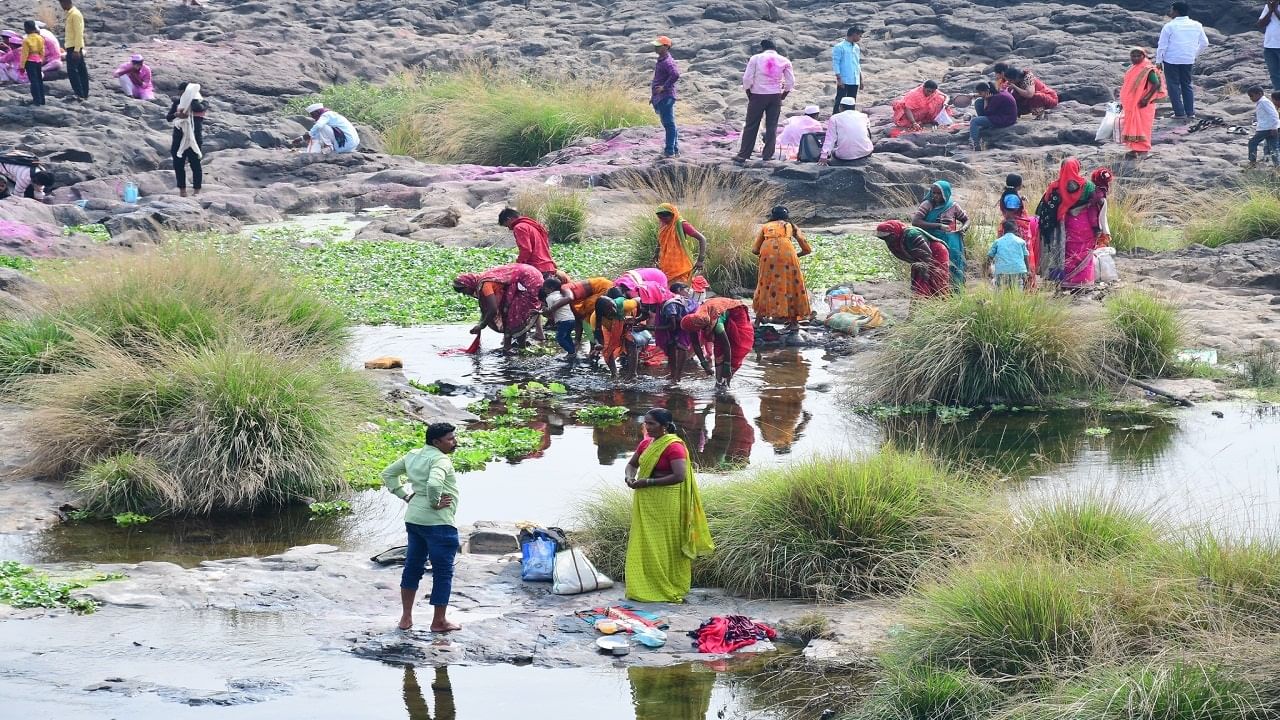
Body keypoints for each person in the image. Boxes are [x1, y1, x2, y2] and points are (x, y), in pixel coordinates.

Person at [622, 408, 714, 604]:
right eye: (646, 423)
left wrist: (647, 482)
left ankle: (668, 585)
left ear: (664, 427)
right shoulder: (646, 443)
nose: (647, 427)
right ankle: (643, 586)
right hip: (646, 501)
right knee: (644, 541)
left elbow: (679, 476)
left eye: (652, 424)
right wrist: (629, 477)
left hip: (667, 502)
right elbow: (632, 464)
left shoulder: (674, 447)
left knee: (665, 544)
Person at [382, 422, 462, 633]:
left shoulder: (413, 455)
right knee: (443, 572)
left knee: (413, 566)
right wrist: (435, 502)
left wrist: (404, 495)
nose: (455, 442)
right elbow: (435, 484)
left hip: (415, 519)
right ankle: (439, 622)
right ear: (436, 442)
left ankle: (406, 618)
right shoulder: (440, 459)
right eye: (450, 439)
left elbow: (388, 473)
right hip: (438, 523)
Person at [452, 263, 544, 353]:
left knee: (514, 313)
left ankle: (511, 348)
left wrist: (482, 325)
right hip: (529, 273)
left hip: (530, 279)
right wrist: (480, 323)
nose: (465, 294)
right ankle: (518, 347)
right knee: (507, 308)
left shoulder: (485, 285)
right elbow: (490, 307)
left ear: (468, 284)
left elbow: (492, 309)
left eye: (464, 291)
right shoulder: (483, 279)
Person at [751, 205, 812, 333]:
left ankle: (757, 322)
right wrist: (794, 256)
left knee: (765, 285)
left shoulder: (765, 227)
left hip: (768, 258)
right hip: (788, 256)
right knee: (792, 286)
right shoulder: (792, 226)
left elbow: (755, 250)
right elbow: (807, 249)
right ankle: (794, 322)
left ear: (772, 216)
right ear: (787, 216)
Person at [734, 39, 795, 164]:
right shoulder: (784, 60)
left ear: (762, 48)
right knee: (772, 126)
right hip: (775, 95)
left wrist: (748, 92)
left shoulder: (756, 58)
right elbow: (791, 81)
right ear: (775, 48)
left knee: (751, 125)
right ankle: (768, 155)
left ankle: (743, 155)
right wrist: (784, 94)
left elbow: (747, 78)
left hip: (758, 94)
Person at [680, 297, 753, 390]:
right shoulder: (693, 321)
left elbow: (727, 346)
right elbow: (695, 344)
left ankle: (727, 383)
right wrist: (704, 364)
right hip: (715, 309)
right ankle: (718, 383)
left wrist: (727, 366)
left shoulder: (716, 324)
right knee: (718, 348)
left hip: (735, 311)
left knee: (736, 346)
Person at [912, 180, 970, 291]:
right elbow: (916, 222)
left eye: (939, 194)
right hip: (931, 241)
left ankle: (953, 292)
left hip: (951, 243)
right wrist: (938, 226)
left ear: (946, 194)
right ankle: (934, 292)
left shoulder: (953, 206)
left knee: (952, 267)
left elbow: (966, 220)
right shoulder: (927, 205)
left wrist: (963, 228)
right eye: (934, 193)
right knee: (934, 268)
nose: (936, 196)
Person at [1156, 2, 1208, 121]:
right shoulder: (1197, 25)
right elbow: (1205, 43)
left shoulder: (1169, 26)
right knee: (1187, 84)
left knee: (1173, 86)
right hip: (1188, 59)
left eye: (1171, 10)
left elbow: (1162, 46)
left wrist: (1158, 61)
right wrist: (1194, 55)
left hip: (1171, 59)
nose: (1170, 12)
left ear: (1176, 11)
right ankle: (1190, 112)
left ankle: (1179, 113)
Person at [876, 220, 950, 298]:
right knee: (919, 285)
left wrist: (925, 271)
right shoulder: (894, 241)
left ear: (894, 233)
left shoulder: (912, 235)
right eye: (883, 238)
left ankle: (942, 303)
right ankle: (922, 305)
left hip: (936, 253)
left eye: (888, 237)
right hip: (919, 259)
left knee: (937, 280)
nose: (887, 240)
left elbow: (926, 254)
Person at [653, 282, 710, 383]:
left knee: (681, 346)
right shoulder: (672, 302)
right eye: (686, 290)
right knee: (672, 346)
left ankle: (677, 375)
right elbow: (673, 323)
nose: (688, 292)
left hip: (687, 325)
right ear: (679, 290)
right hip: (678, 324)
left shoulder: (689, 302)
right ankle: (673, 374)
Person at [543, 276, 613, 354]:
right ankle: (595, 346)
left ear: (551, 290)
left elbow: (570, 297)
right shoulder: (567, 301)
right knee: (585, 317)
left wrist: (551, 309)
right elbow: (578, 319)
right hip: (601, 286)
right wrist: (577, 340)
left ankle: (597, 346)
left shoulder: (564, 289)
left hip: (603, 287)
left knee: (588, 317)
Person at [497, 208, 568, 282]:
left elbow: (526, 250)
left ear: (509, 219)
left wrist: (518, 265)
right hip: (546, 266)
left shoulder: (519, 227)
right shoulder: (530, 225)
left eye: (507, 226)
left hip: (536, 268)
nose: (509, 229)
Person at [1119, 47, 1166, 158]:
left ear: (1143, 56)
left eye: (1138, 56)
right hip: (1132, 103)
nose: (1135, 58)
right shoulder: (1133, 68)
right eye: (1133, 56)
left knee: (1142, 126)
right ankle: (1135, 148)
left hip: (1143, 103)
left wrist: (1146, 98)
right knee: (1132, 124)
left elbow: (1156, 84)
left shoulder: (1147, 69)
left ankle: (1143, 149)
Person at [999, 173, 1040, 289]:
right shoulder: (1012, 198)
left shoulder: (1010, 195)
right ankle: (1025, 285)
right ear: (1018, 184)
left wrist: (1020, 199)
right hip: (1016, 229)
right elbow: (1011, 212)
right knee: (1023, 255)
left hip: (1012, 227)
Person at [596, 294, 650, 380]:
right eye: (609, 309)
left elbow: (640, 299)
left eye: (614, 306)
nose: (614, 310)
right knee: (607, 348)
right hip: (609, 328)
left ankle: (632, 375)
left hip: (628, 321)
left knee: (630, 341)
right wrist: (598, 343)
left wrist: (638, 319)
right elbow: (597, 333)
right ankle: (614, 374)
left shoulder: (625, 305)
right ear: (603, 313)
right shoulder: (595, 318)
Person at [653, 203, 706, 286]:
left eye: (665, 217)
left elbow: (702, 239)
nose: (663, 220)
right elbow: (660, 239)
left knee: (681, 291)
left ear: (673, 214)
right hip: (666, 265)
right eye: (660, 217)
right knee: (668, 290)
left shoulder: (682, 224)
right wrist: (656, 253)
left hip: (681, 266)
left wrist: (700, 260)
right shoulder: (664, 224)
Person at [167, 82, 205, 197]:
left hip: (194, 136)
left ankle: (196, 190)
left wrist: (191, 98)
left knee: (195, 163)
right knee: (178, 163)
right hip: (179, 136)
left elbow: (197, 108)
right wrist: (177, 114)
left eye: (184, 93)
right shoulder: (178, 103)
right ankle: (182, 190)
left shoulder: (202, 102)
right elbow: (168, 117)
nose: (181, 95)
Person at [818, 97, 874, 164]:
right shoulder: (864, 116)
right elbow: (868, 134)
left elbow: (830, 138)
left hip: (845, 156)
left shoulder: (835, 118)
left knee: (833, 151)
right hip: (866, 151)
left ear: (841, 107)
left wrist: (823, 156)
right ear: (854, 107)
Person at [650, 36, 680, 158]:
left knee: (669, 124)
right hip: (662, 97)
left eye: (659, 45)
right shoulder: (662, 60)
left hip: (666, 97)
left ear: (666, 47)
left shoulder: (667, 61)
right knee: (669, 123)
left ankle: (669, 151)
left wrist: (664, 87)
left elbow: (675, 74)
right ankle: (674, 149)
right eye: (656, 45)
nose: (656, 47)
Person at [994, 64, 1059, 118]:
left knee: (1036, 96)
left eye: (1010, 80)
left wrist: (1015, 87)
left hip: (1049, 97)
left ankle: (1038, 114)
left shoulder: (1028, 78)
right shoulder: (1014, 81)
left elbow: (1029, 94)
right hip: (1027, 100)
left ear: (1016, 78)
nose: (1009, 82)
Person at [969, 82, 1017, 151]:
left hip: (1005, 119)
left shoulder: (997, 98)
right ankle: (985, 124)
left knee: (974, 121)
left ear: (987, 91)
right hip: (1002, 114)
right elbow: (983, 97)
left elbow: (987, 113)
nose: (979, 94)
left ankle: (975, 145)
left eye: (980, 93)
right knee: (978, 102)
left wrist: (986, 100)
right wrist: (974, 96)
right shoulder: (997, 92)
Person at [541, 278, 578, 364]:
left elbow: (550, 312)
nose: (544, 290)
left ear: (551, 288)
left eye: (545, 288)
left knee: (560, 338)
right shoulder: (562, 295)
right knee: (567, 336)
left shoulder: (550, 298)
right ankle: (572, 352)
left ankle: (571, 353)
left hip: (563, 321)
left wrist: (544, 309)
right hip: (572, 319)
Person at [989, 219, 1031, 289]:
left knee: (1001, 290)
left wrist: (989, 269)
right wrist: (1028, 270)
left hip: (1002, 271)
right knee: (1017, 290)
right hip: (1019, 270)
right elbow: (1025, 256)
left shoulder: (997, 242)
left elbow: (990, 256)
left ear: (1004, 230)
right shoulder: (1021, 242)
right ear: (1015, 229)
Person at [831, 26, 864, 115]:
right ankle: (835, 118)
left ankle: (850, 119)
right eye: (859, 36)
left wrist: (861, 79)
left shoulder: (856, 47)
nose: (860, 38)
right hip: (844, 79)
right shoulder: (839, 47)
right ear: (854, 34)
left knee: (852, 101)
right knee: (840, 100)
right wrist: (839, 79)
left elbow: (857, 64)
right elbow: (836, 63)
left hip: (854, 79)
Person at [60, 0, 87, 100]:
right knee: (81, 70)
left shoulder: (75, 14)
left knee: (72, 71)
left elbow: (79, 33)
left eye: (61, 4)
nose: (61, 6)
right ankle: (83, 93)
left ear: (66, 3)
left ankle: (79, 94)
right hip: (73, 46)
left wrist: (76, 50)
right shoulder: (70, 14)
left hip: (74, 47)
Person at [1247, 86, 1280, 167]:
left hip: (1266, 128)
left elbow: (1274, 115)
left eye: (1252, 96)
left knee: (1252, 143)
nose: (1251, 98)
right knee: (1273, 147)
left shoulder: (1264, 102)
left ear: (1259, 94)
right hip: (1269, 128)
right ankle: (1277, 165)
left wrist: (1274, 127)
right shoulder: (1262, 102)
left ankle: (1252, 162)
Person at [18, 21, 44, 106]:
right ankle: (42, 100)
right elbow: (42, 51)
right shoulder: (40, 38)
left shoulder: (26, 40)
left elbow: (24, 54)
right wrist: (41, 59)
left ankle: (36, 101)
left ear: (27, 29)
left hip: (30, 62)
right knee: (39, 80)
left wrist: (22, 66)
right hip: (38, 61)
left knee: (34, 81)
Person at [1261, 1, 1280, 91]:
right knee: (1274, 74)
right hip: (1269, 46)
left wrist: (1275, 10)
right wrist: (1270, 11)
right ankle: (1278, 95)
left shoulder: (1274, 7)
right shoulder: (1268, 7)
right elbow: (1260, 24)